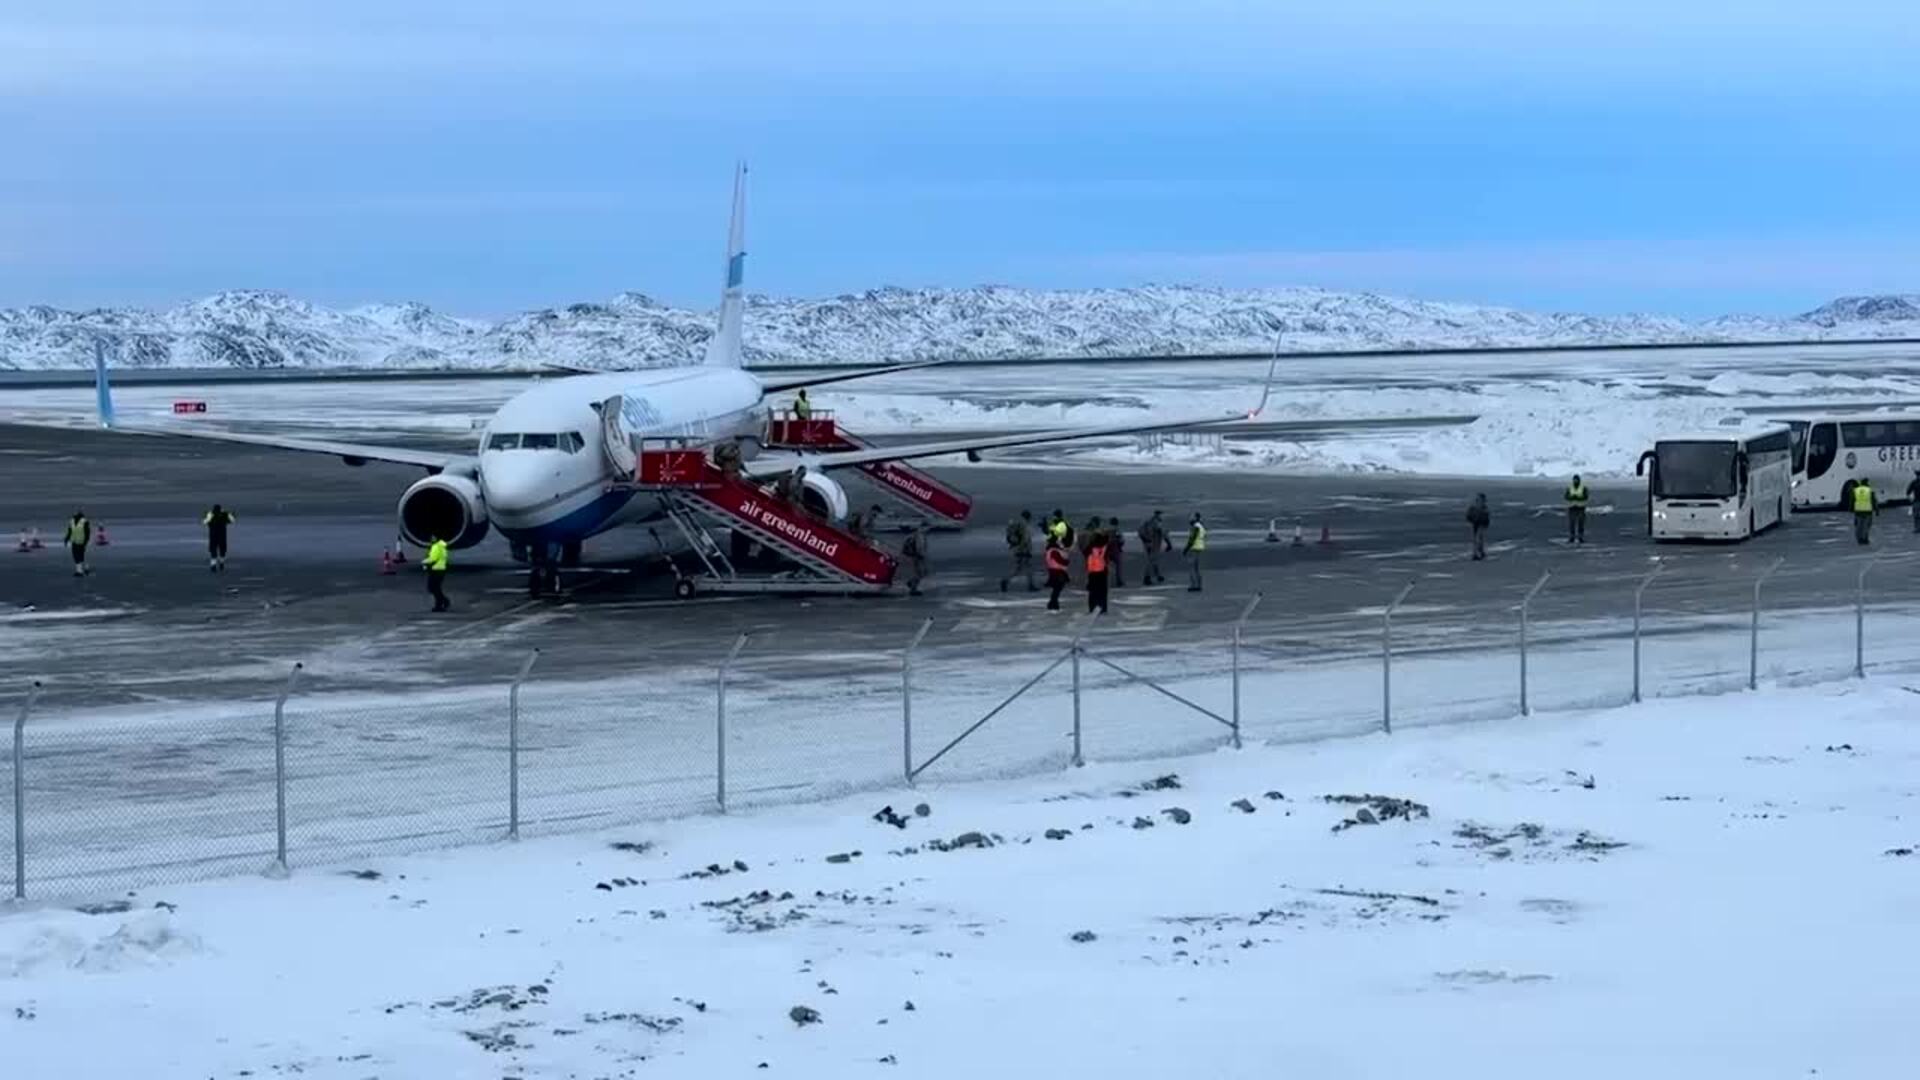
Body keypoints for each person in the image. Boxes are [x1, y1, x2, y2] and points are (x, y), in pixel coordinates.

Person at [1000, 510, 1036, 592]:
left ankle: (1006, 581)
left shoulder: (1018, 523)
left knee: (1019, 569)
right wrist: (1025, 550)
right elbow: (1025, 539)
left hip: (1017, 549)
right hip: (1023, 550)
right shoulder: (1025, 525)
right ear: (1028, 517)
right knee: (1025, 567)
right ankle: (1030, 585)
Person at [202, 504, 236, 572]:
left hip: (213, 536)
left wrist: (209, 515)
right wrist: (230, 514)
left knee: (213, 551)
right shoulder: (224, 514)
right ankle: (221, 563)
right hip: (222, 536)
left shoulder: (211, 514)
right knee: (222, 550)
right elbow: (232, 520)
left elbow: (204, 522)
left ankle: (213, 565)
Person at [1084, 528, 1110, 614]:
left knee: (1093, 591)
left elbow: (1085, 552)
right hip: (1102, 571)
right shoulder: (1105, 546)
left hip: (1092, 571)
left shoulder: (1091, 547)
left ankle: (1092, 607)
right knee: (1103, 591)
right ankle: (1103, 608)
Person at [1139, 510, 1167, 585]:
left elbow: (1140, 532)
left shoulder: (1147, 522)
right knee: (1151, 560)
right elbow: (1162, 533)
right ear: (1158, 514)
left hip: (1147, 544)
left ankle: (1158, 575)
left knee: (1153, 560)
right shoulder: (1157, 522)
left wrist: (1146, 541)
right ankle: (1147, 577)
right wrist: (1169, 543)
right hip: (1154, 544)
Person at [424, 534, 451, 612]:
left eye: (433, 537)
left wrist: (426, 564)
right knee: (434, 588)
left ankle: (439, 605)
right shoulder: (437, 546)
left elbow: (433, 559)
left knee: (434, 588)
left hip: (436, 570)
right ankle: (444, 601)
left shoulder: (436, 547)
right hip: (437, 570)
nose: (431, 539)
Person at [1043, 538, 1070, 612]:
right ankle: (1053, 603)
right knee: (1058, 588)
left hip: (1055, 570)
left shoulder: (1051, 550)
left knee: (1057, 588)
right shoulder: (1054, 551)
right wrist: (1066, 561)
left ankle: (1053, 603)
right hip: (1057, 570)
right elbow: (1060, 560)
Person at [1183, 512, 1207, 592]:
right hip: (1199, 548)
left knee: (1192, 568)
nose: (1190, 520)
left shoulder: (1195, 527)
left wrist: (1186, 549)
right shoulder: (1201, 526)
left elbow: (1192, 538)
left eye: (1191, 518)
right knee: (1197, 568)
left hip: (1193, 548)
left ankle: (1193, 585)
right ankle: (1199, 584)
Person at [901, 526, 928, 596]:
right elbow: (919, 548)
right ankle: (913, 588)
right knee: (920, 573)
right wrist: (922, 556)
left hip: (912, 556)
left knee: (918, 572)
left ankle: (911, 583)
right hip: (917, 557)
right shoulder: (920, 536)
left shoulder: (913, 535)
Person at [65, 509, 92, 577]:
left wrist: (86, 541)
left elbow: (87, 532)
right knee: (76, 556)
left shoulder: (85, 521)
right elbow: (70, 531)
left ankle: (83, 570)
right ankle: (80, 570)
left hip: (82, 542)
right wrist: (66, 539)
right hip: (74, 541)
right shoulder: (72, 521)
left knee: (80, 556)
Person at [1564, 474, 1590, 545]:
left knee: (1581, 524)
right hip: (1572, 508)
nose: (1575, 481)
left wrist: (1578, 497)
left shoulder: (1583, 488)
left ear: (1579, 480)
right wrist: (1572, 497)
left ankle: (1580, 538)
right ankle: (1572, 538)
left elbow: (1586, 496)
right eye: (1574, 480)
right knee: (1572, 524)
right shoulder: (1570, 488)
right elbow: (1566, 496)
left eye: (1577, 480)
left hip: (1580, 508)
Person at [1466, 493, 1491, 561]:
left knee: (1480, 539)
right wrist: (1470, 521)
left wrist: (1486, 524)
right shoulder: (1473, 507)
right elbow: (1468, 515)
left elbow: (1486, 517)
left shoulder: (1484, 508)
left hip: (1481, 524)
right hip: (1474, 524)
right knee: (1475, 539)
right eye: (1481, 499)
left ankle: (1480, 552)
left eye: (1483, 500)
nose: (1482, 501)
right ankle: (1475, 554)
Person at [1852, 478, 1877, 545]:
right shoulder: (1869, 490)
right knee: (1866, 526)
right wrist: (1876, 510)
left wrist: (1851, 509)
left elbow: (1853, 500)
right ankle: (1865, 539)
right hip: (1867, 511)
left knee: (1859, 525)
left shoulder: (1857, 490)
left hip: (1858, 511)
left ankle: (1859, 539)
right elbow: (1873, 500)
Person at [1105, 516, 1125, 588]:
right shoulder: (1117, 530)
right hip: (1115, 549)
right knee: (1118, 566)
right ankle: (1118, 581)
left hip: (1107, 550)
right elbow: (1121, 540)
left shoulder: (1106, 530)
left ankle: (1106, 580)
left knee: (1106, 565)